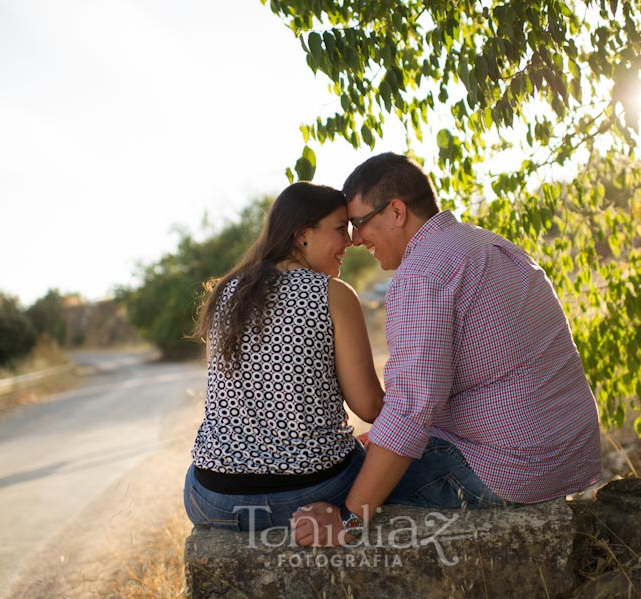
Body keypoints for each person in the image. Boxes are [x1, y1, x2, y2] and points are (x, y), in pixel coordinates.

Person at [291, 153, 602, 546]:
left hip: (511, 471)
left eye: (359, 223)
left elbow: (412, 407)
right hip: (564, 456)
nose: (354, 240)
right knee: (375, 448)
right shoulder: (486, 244)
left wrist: (351, 519)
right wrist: (386, 435)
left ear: (397, 211)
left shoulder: (422, 274)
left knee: (329, 480)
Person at [184, 181, 384, 532]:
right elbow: (368, 408)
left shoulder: (228, 292)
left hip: (213, 498)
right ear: (302, 234)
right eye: (340, 229)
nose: (351, 241)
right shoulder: (332, 294)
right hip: (311, 491)